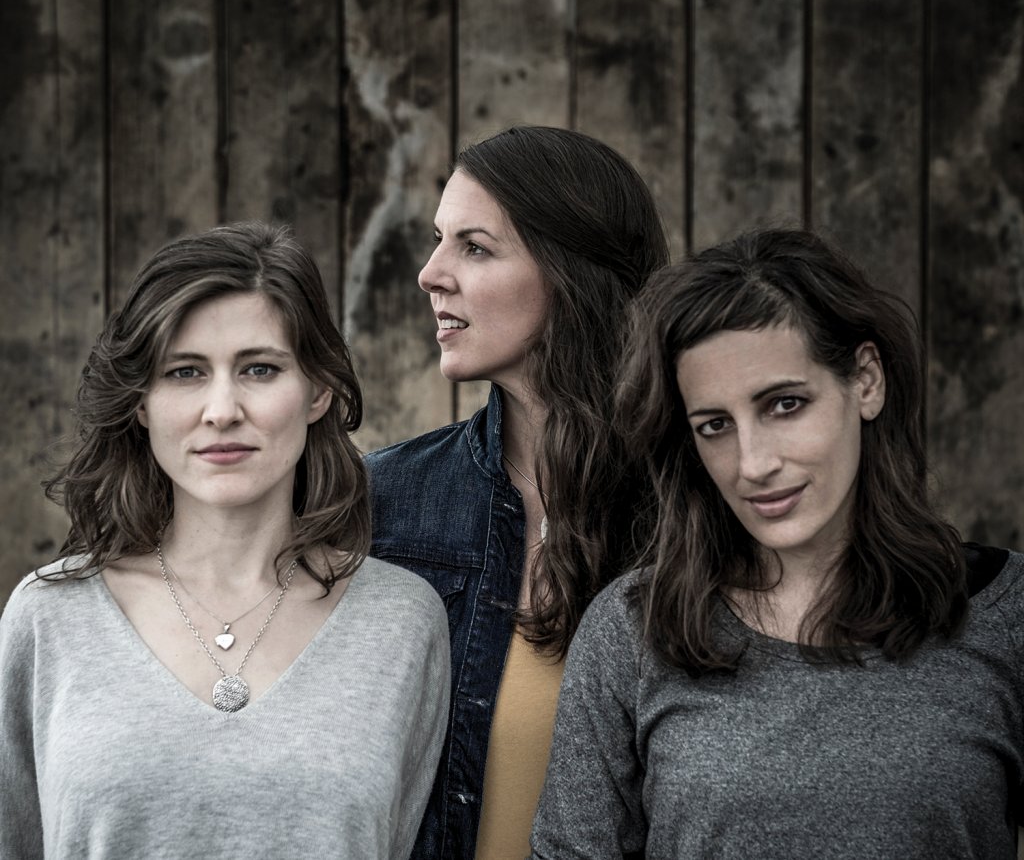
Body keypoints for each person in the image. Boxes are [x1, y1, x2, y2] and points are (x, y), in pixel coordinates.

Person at [529, 227, 1023, 859]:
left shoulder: (1007, 617)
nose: (752, 463)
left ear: (866, 381)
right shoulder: (635, 628)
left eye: (785, 405)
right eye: (715, 425)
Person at [0, 222, 449, 859]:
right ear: (141, 403)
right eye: (184, 373)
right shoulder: (50, 617)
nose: (221, 409)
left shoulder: (402, 621)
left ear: (317, 390)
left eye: (259, 369)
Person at [366, 125, 670, 860]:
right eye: (440, 241)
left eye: (475, 247)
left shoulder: (694, 505)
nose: (430, 274)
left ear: (569, 271)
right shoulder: (387, 501)